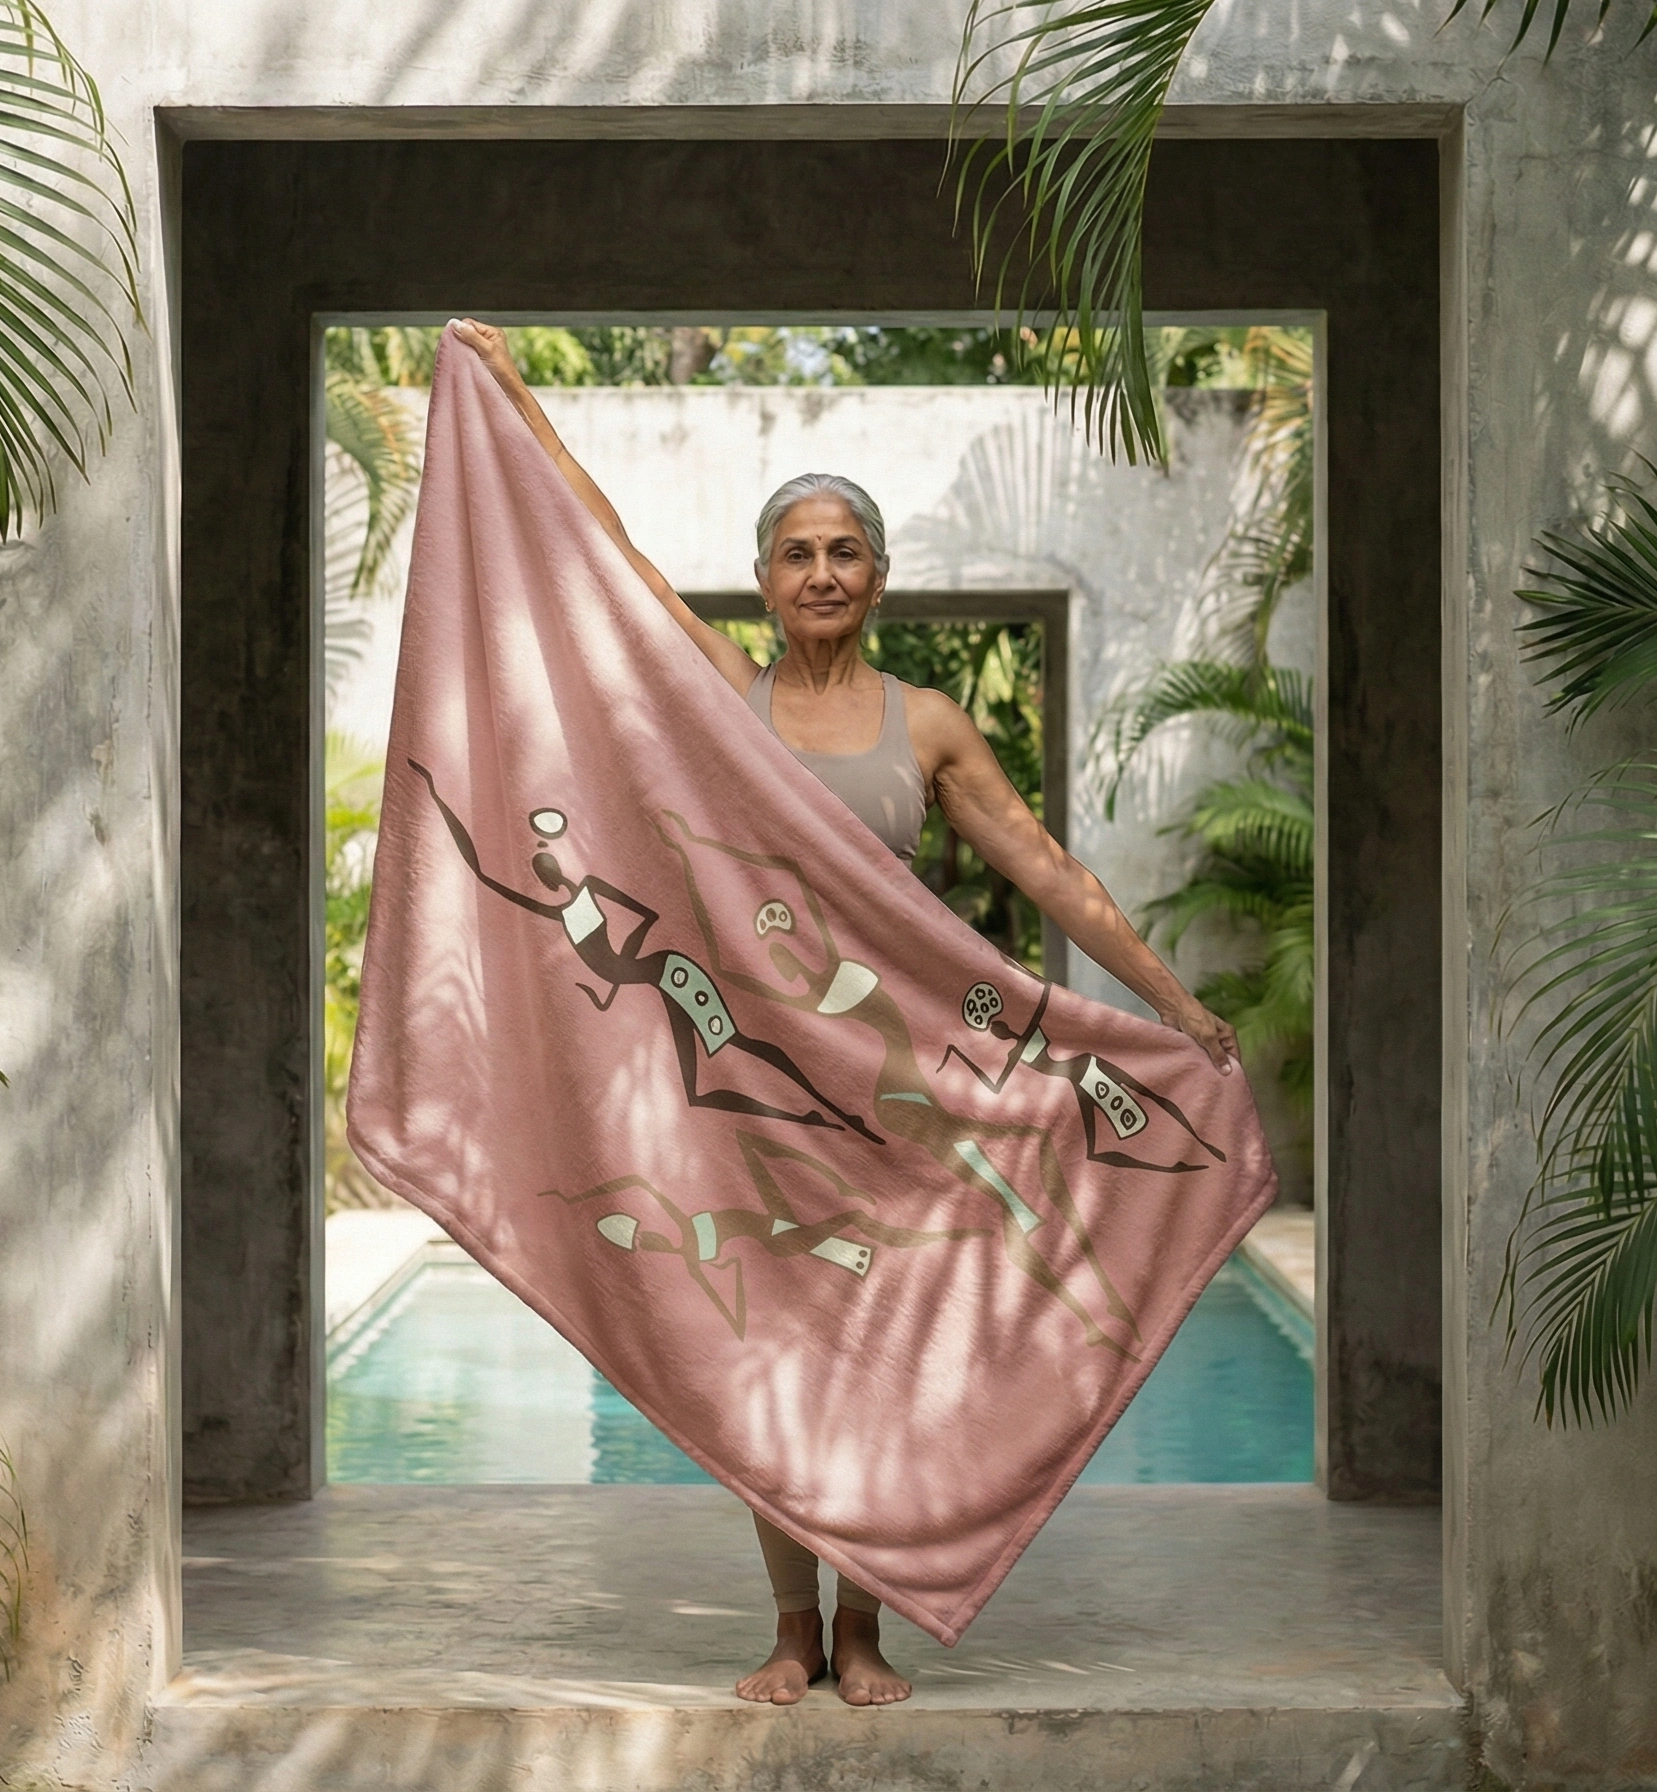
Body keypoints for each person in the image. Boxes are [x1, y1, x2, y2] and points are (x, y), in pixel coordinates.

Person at [449, 318, 1240, 1710]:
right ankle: (791, 1628)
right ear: (764, 579)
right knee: (771, 1359)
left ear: (878, 578)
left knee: (880, 1359)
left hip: (902, 1091)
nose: (822, 573)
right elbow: (612, 558)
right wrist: (515, 394)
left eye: (845, 552)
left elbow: (1047, 869)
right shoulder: (720, 699)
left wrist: (1176, 1008)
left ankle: (864, 1629)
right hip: (755, 1089)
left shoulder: (926, 722)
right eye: (798, 553)